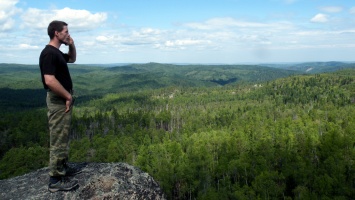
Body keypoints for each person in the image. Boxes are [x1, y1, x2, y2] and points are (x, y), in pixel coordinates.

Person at [39, 20, 81, 193]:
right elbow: (49, 80)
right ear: (56, 33)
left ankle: (62, 167)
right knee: (58, 137)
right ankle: (55, 180)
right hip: (58, 101)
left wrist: (72, 44)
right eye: (66, 32)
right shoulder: (49, 53)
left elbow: (72, 58)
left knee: (62, 136)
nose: (68, 34)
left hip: (61, 100)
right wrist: (67, 96)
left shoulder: (56, 53)